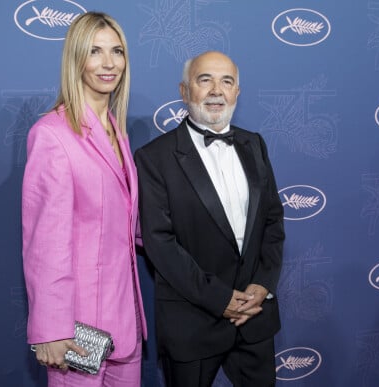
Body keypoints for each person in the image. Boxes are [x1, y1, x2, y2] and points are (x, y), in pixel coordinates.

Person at [134, 51, 285, 387]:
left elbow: (273, 220)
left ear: (237, 93)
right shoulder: (154, 158)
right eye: (205, 80)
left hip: (255, 317)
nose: (217, 90)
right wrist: (220, 299)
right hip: (192, 322)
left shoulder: (254, 144)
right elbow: (160, 243)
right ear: (185, 91)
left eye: (226, 81)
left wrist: (263, 284)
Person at [21, 11, 147, 386]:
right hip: (75, 332)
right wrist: (50, 328)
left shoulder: (118, 135)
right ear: (76, 59)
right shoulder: (52, 135)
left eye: (117, 51)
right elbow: (44, 242)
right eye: (95, 51)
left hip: (125, 324)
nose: (110, 63)